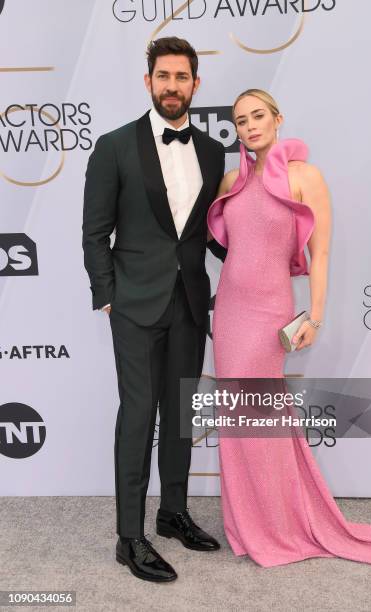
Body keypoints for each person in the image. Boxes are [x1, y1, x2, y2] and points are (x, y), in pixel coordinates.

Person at [207, 89, 371, 568]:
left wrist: (315, 315)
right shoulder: (232, 180)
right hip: (232, 310)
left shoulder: (306, 177)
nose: (250, 126)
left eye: (258, 115)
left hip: (269, 312)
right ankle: (250, 524)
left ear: (278, 118)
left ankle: (280, 527)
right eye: (240, 121)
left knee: (260, 418)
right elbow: (228, 248)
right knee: (240, 420)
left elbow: (319, 253)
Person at [82, 36, 226, 583]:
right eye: (163, 77)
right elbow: (95, 233)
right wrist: (108, 295)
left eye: (182, 77)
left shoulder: (213, 153)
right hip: (135, 306)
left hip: (190, 303)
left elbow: (211, 234)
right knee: (139, 419)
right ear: (149, 82)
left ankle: (173, 514)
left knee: (183, 419)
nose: (172, 86)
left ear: (195, 83)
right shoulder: (114, 146)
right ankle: (129, 537)